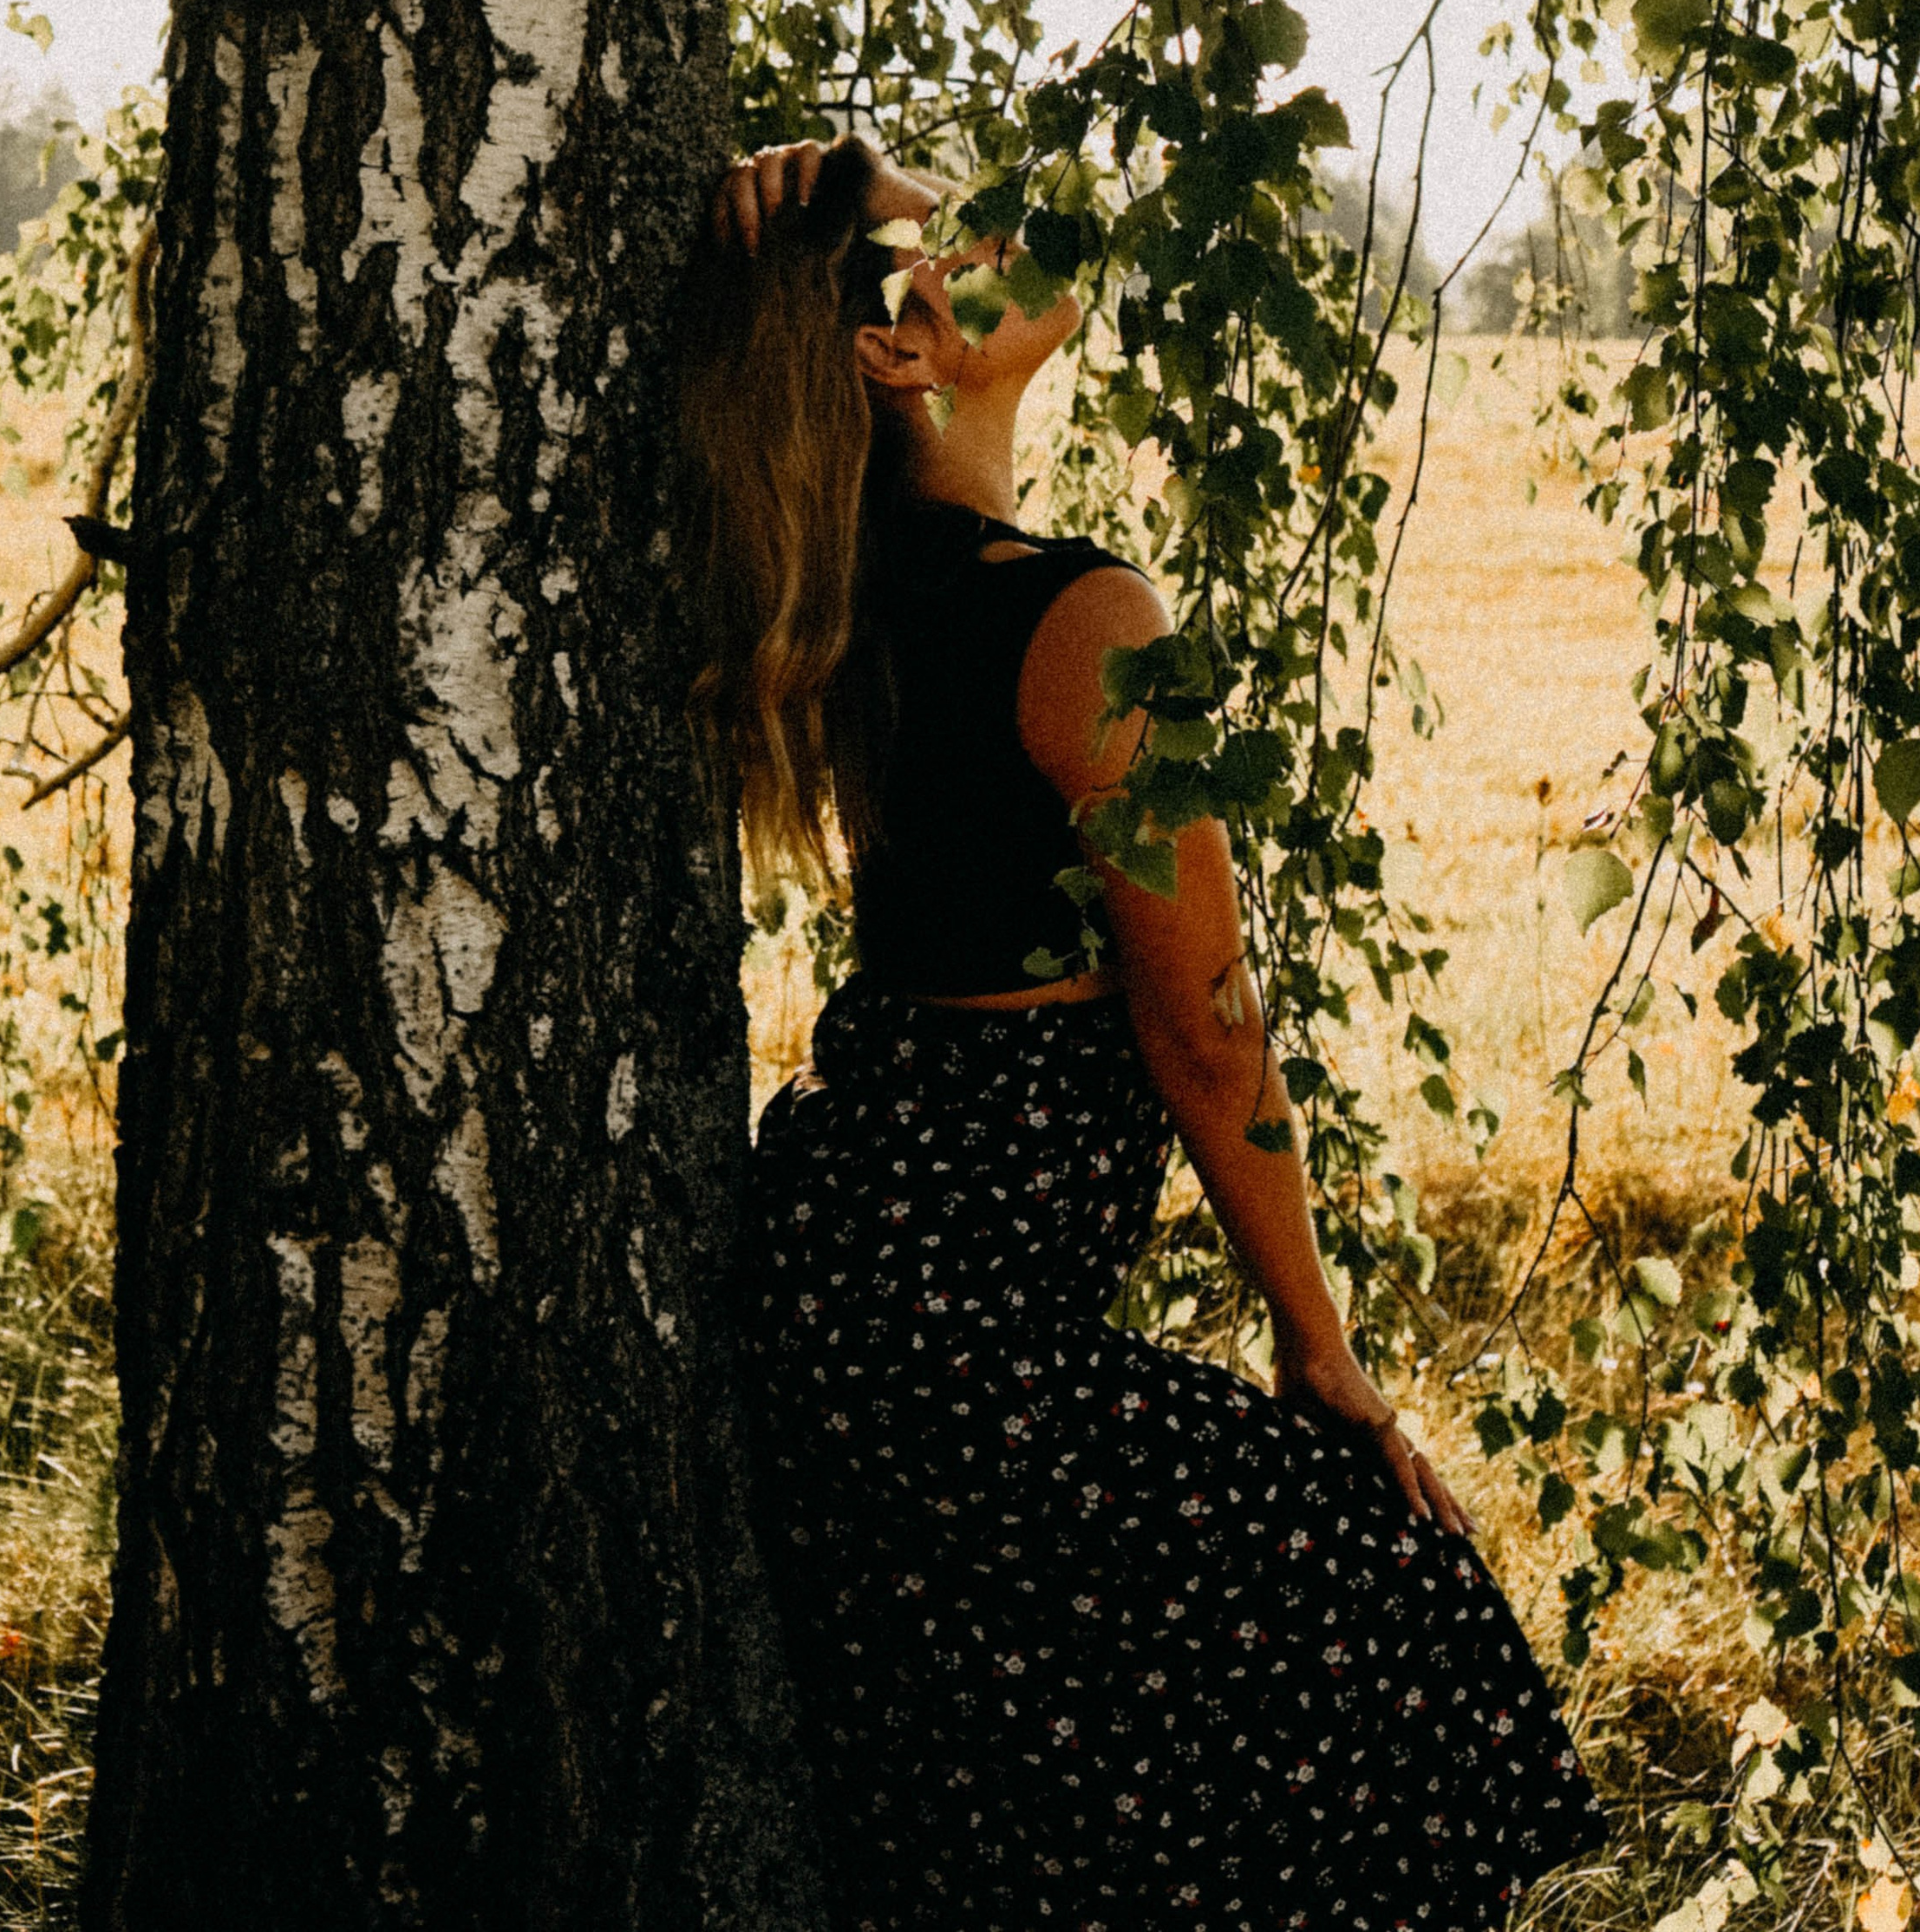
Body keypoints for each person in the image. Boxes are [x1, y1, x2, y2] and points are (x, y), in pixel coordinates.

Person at [683, 132, 1608, 1931]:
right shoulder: (1081, 617)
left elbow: (949, 245)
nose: (999, 231)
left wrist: (830, 206)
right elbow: (1203, 1033)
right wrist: (1317, 1347)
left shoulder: (846, 583)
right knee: (1379, 1587)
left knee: (1015, 1775)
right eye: (955, 247)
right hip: (935, 1335)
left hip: (849, 1285)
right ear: (899, 349)